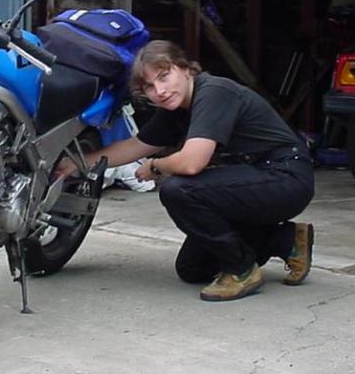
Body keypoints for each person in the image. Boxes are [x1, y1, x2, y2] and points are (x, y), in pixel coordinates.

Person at [56, 40, 315, 302]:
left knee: (179, 189)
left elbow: (192, 162)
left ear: (185, 68)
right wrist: (76, 163)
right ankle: (287, 240)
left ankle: (242, 270)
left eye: (164, 76)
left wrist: (156, 166)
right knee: (193, 269)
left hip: (285, 177)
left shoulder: (214, 92)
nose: (160, 91)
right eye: (150, 86)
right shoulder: (177, 109)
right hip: (250, 181)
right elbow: (135, 146)